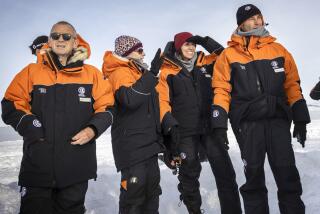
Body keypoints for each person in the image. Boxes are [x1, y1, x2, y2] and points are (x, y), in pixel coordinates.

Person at [1, 21, 114, 214]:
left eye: (66, 36)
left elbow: (108, 107)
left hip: (76, 167)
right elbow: (11, 103)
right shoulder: (31, 71)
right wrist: (31, 125)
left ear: (75, 41)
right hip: (37, 165)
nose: (60, 39)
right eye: (55, 36)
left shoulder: (92, 74)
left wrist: (92, 129)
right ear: (50, 41)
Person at [211, 4, 310, 214]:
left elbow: (292, 84)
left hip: (277, 121)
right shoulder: (228, 55)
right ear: (241, 23)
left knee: (288, 176)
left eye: (260, 16)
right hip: (248, 125)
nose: (258, 21)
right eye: (252, 18)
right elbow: (221, 90)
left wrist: (300, 117)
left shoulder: (279, 50)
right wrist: (219, 124)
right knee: (254, 180)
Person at [156, 32, 242, 214]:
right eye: (187, 44)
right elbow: (162, 101)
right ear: (178, 47)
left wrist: (206, 41)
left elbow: (227, 56)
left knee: (225, 173)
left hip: (210, 129)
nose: (191, 48)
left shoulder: (207, 63)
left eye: (193, 45)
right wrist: (169, 124)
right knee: (189, 175)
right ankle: (194, 210)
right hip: (184, 132)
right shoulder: (167, 72)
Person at [102, 35, 164, 213]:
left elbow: (153, 111)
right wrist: (152, 74)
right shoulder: (119, 72)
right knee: (134, 199)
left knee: (152, 195)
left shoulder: (140, 73)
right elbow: (129, 99)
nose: (143, 54)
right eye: (140, 50)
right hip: (132, 147)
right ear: (128, 52)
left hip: (149, 145)